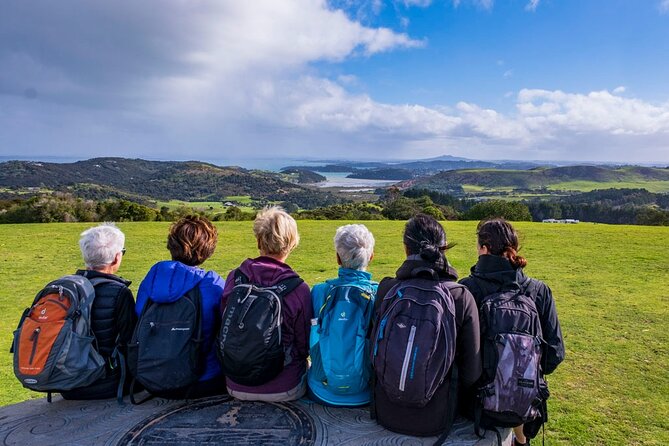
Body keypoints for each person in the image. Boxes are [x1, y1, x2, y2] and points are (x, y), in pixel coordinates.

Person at [371, 214, 482, 437]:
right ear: (443, 249)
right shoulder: (460, 296)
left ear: (405, 248)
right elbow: (472, 372)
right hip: (437, 418)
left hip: (384, 411)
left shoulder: (386, 289)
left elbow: (371, 350)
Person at [460, 218, 565, 446]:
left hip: (474, 407)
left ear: (484, 249)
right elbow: (554, 354)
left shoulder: (466, 289)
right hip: (523, 407)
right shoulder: (539, 291)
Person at [221, 206, 312, 402]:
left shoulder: (235, 277)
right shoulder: (298, 288)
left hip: (235, 383)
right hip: (284, 388)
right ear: (292, 243)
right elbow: (304, 345)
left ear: (258, 240)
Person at [135, 215, 226, 398]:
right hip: (203, 381)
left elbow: (138, 314)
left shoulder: (151, 279)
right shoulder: (211, 282)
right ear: (207, 250)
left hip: (152, 379)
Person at [60, 223, 136, 400]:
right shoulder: (119, 292)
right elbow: (130, 339)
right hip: (107, 383)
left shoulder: (68, 288)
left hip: (68, 382)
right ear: (117, 258)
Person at [308, 224, 378, 407]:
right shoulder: (379, 293)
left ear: (338, 258)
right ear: (371, 257)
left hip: (323, 390)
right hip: (366, 392)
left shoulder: (319, 291)